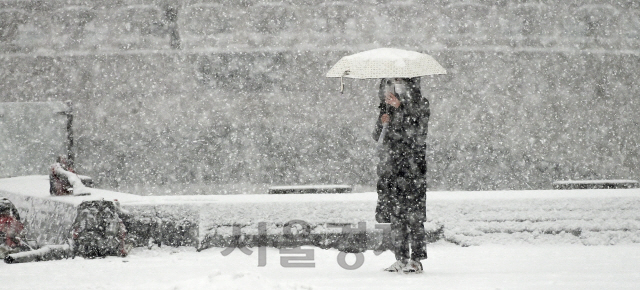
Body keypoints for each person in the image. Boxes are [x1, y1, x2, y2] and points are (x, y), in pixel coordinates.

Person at [372, 77, 430, 273]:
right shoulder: (386, 107)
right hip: (392, 168)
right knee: (396, 215)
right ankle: (401, 258)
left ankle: (416, 259)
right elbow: (377, 136)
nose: (395, 86)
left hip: (412, 168)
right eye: (391, 82)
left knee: (414, 216)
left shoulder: (420, 104)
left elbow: (418, 131)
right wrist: (382, 122)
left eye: (399, 81)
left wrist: (402, 108)